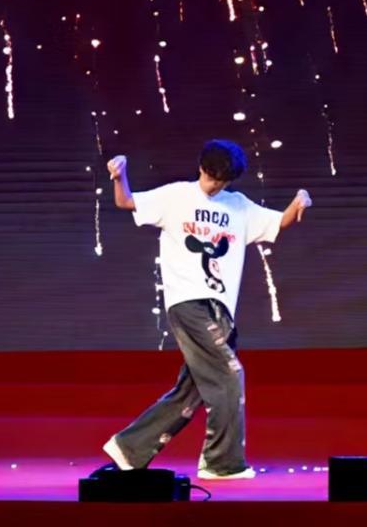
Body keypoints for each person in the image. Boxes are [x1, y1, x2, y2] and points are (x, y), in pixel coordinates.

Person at [101, 139, 311, 480]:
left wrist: (299, 199)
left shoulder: (239, 205)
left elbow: (278, 223)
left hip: (222, 309)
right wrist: (119, 175)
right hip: (188, 302)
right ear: (201, 168)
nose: (216, 186)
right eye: (212, 178)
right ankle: (221, 463)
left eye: (223, 182)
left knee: (193, 390)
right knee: (229, 375)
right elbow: (125, 201)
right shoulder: (176, 195)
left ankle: (129, 449)